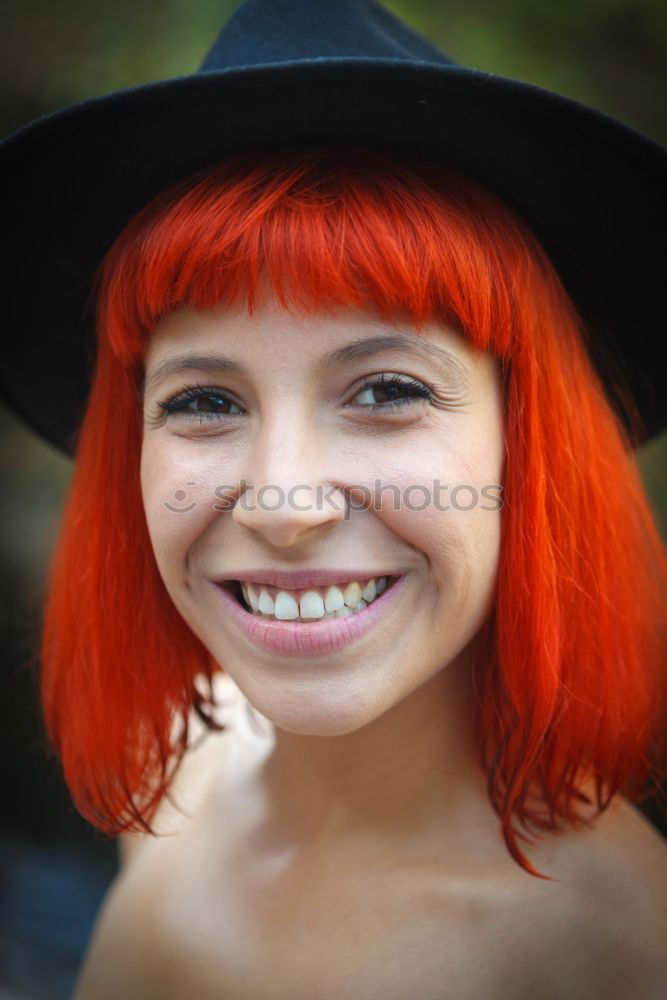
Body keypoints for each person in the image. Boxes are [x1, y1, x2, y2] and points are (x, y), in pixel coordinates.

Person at [1, 1, 666, 997]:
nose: (282, 499)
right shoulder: (180, 772)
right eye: (205, 399)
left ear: (530, 444)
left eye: (388, 389)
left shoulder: (601, 948)